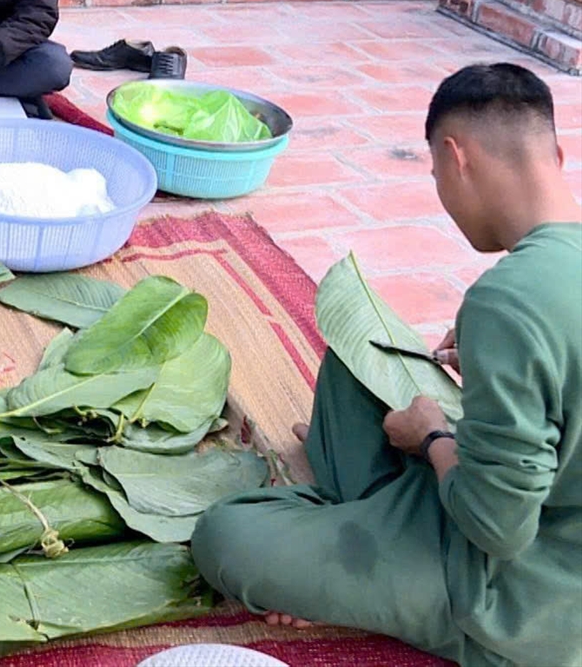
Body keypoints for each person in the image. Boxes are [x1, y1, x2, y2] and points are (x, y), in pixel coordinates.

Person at [191, 63, 581, 667]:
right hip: (545, 508)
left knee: (226, 538)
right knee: (355, 362)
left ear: (455, 158)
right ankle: (365, 526)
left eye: (433, 173)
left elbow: (499, 527)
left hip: (525, 596)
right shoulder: (546, 278)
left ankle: (355, 549)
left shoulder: (510, 299)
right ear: (555, 152)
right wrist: (482, 371)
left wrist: (431, 436)